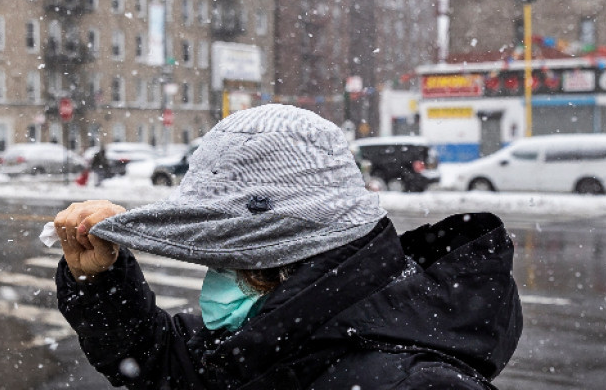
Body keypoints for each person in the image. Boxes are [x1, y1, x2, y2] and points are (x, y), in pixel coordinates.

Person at [53, 104, 522, 389]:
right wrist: (100, 281)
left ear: (291, 259)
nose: (213, 281)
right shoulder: (287, 333)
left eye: (229, 261)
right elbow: (166, 364)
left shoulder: (413, 384)